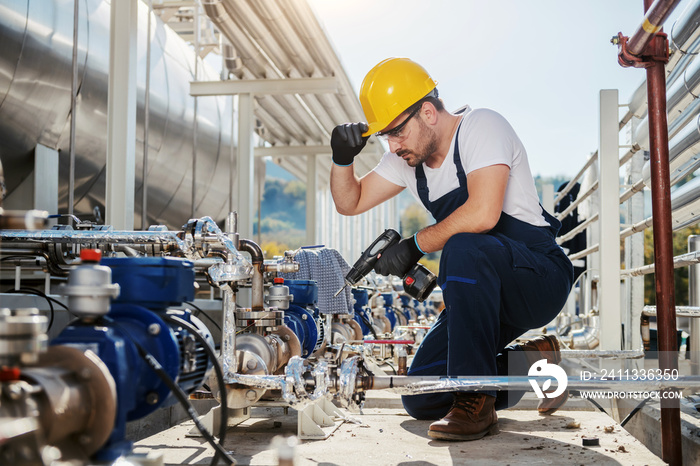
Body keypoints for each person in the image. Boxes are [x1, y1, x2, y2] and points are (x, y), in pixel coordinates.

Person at [329, 58, 574, 441]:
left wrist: (414, 245)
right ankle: (534, 363)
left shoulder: (482, 127)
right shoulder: (407, 161)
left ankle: (476, 402)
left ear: (427, 112)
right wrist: (342, 161)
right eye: (385, 138)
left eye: (396, 133)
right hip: (481, 295)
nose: (392, 147)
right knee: (423, 393)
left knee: (463, 246)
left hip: (536, 278)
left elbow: (482, 213)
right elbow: (350, 202)